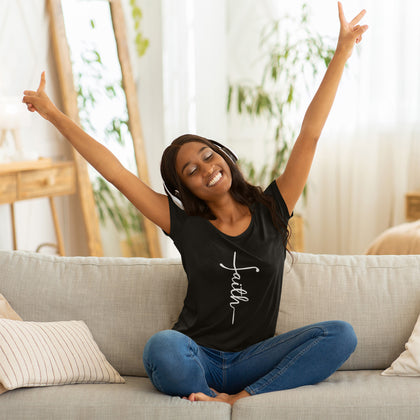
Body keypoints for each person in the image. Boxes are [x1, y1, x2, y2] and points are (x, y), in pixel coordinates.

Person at [22, 2, 367, 406]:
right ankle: (207, 396)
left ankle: (235, 400)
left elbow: (309, 133)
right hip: (196, 356)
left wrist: (342, 51)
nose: (205, 168)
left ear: (222, 155)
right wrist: (52, 113)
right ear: (185, 189)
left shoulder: (273, 209)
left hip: (255, 359)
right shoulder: (184, 225)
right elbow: (114, 171)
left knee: (341, 334)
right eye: (190, 170)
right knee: (162, 346)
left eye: (206, 155)